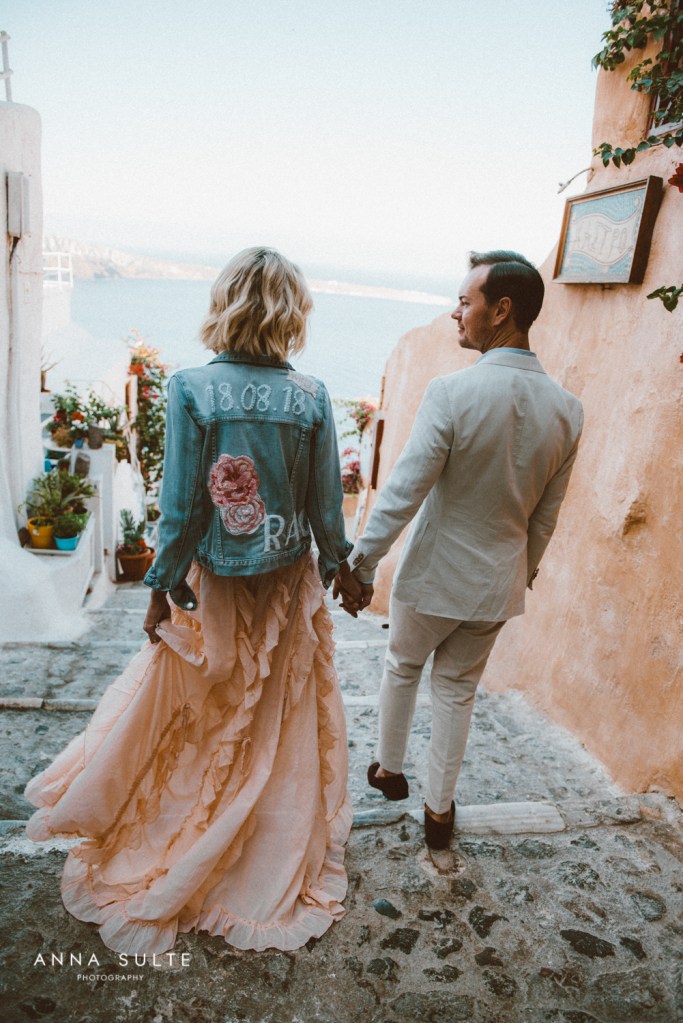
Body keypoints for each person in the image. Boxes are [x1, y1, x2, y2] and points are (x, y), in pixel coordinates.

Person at [25, 247, 360, 954]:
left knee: (205, 715)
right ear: (290, 312)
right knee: (272, 720)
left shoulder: (191, 389)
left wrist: (160, 586)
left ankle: (190, 831)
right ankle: (257, 839)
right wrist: (339, 568)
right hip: (284, 583)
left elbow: (178, 507)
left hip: (215, 582)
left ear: (226, 304)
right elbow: (326, 506)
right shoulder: (313, 395)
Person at [338, 250, 584, 851]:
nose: (455, 314)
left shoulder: (451, 392)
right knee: (457, 691)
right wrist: (520, 575)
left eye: (465, 302)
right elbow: (545, 517)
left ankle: (388, 768)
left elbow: (403, 490)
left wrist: (361, 562)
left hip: (434, 575)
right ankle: (439, 812)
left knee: (402, 666)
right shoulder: (569, 410)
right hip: (497, 582)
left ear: (501, 311)